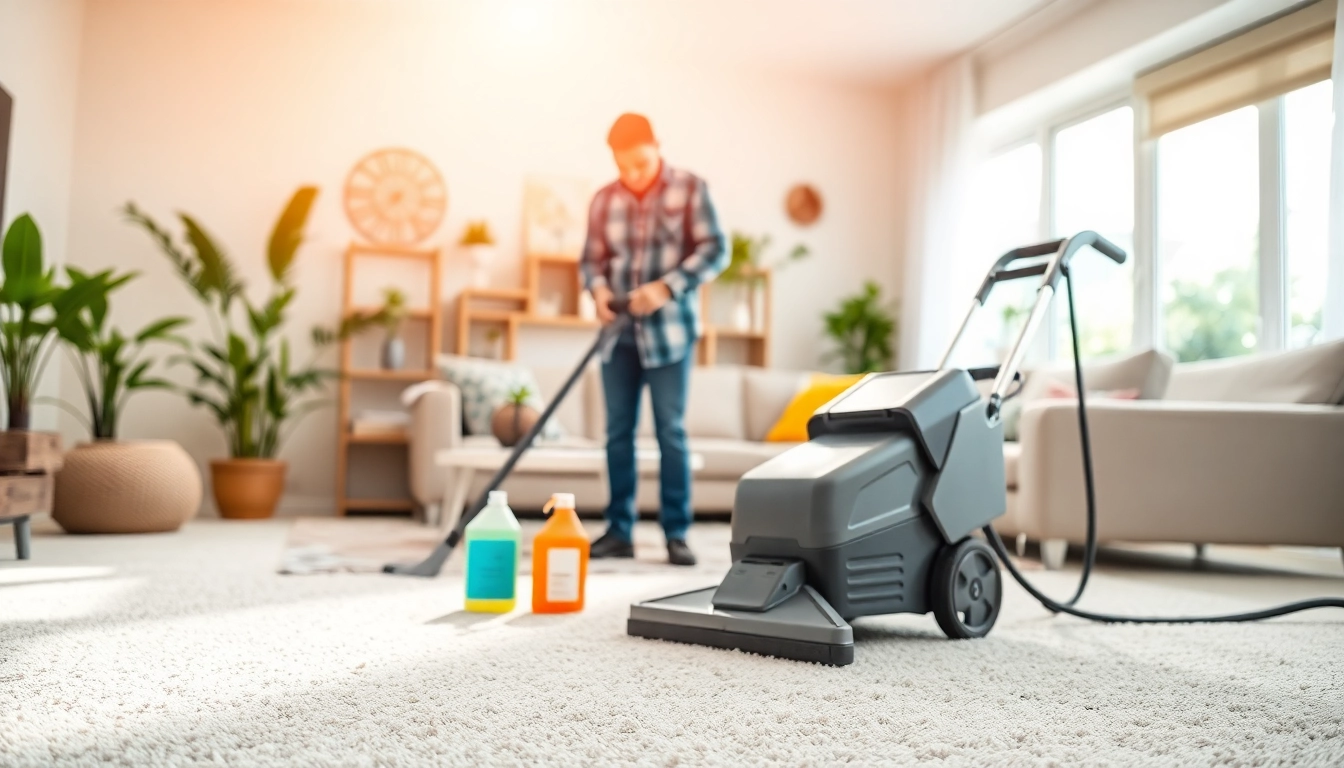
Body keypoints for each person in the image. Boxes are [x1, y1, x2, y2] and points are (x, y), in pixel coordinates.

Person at [579, 113, 727, 566]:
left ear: (656, 146)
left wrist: (665, 287)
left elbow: (715, 249)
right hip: (618, 336)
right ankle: (619, 531)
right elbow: (590, 260)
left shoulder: (690, 187)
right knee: (617, 434)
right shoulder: (605, 199)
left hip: (671, 334)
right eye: (624, 166)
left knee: (671, 433)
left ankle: (676, 533)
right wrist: (599, 290)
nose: (633, 175)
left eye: (640, 164)